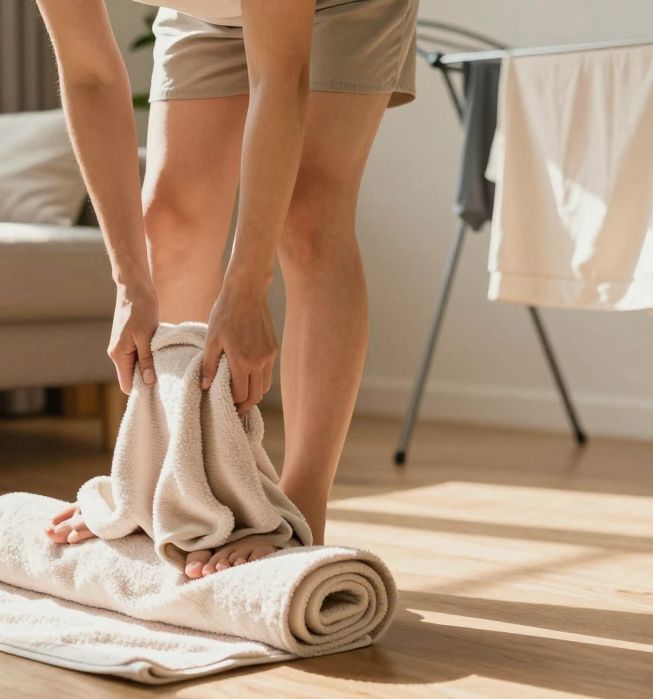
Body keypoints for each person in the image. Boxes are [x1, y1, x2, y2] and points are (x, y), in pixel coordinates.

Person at [39, 0, 418, 579]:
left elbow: (281, 75)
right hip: (204, 12)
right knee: (170, 220)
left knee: (307, 214)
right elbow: (89, 74)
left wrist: (247, 286)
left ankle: (300, 510)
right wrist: (128, 279)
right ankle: (169, 488)